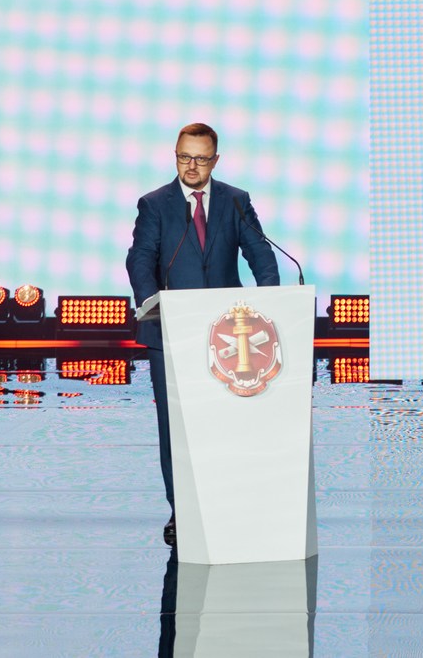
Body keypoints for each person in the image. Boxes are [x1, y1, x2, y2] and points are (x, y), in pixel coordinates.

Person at [125, 122, 279, 546]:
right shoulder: (154, 204)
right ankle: (183, 511)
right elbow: (141, 258)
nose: (191, 166)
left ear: (216, 159)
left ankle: (226, 504)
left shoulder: (235, 200)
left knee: (226, 425)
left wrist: (270, 299)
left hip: (230, 336)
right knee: (176, 428)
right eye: (184, 157)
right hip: (170, 330)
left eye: (200, 158)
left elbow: (260, 253)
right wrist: (149, 300)